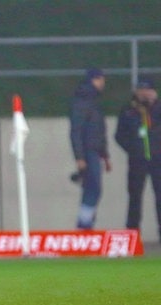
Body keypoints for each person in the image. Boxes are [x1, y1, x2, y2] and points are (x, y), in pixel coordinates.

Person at [115, 77, 161, 243]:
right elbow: (119, 135)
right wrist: (133, 150)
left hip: (158, 161)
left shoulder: (158, 108)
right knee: (135, 198)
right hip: (137, 161)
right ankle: (132, 235)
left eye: (147, 90)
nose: (143, 93)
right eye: (140, 90)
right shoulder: (129, 110)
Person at [69, 67, 111, 229]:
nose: (103, 82)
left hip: (93, 151)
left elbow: (98, 130)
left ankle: (86, 224)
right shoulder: (85, 101)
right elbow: (77, 130)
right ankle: (84, 225)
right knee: (93, 189)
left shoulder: (90, 100)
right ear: (95, 79)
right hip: (89, 152)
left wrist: (105, 155)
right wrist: (80, 157)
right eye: (101, 79)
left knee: (92, 189)